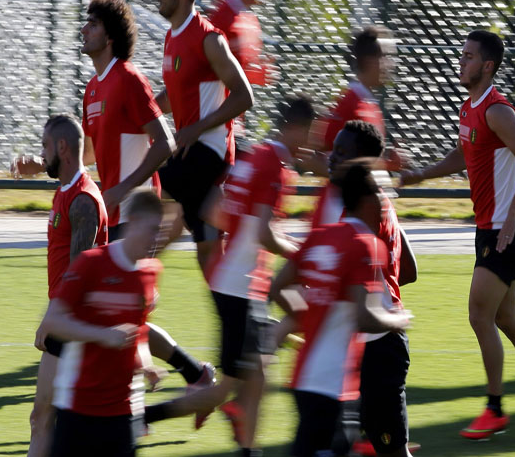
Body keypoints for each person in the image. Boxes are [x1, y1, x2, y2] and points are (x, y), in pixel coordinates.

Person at [14, 0, 214, 407]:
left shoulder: (128, 79)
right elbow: (90, 152)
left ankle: (117, 398)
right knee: (115, 311)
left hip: (136, 213)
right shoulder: (93, 89)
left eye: (92, 24)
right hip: (112, 212)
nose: (84, 30)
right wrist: (43, 163)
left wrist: (124, 187)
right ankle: (191, 374)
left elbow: (165, 141)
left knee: (117, 310)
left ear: (109, 33)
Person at [400, 30, 515, 440]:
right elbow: (464, 153)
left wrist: (512, 216)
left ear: (487, 66)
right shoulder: (469, 109)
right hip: (488, 227)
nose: (461, 62)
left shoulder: (497, 110)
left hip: (505, 230)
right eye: (462, 55)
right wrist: (421, 174)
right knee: (504, 316)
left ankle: (494, 409)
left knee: (480, 314)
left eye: (469, 56)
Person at [141, 96, 315, 457]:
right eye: (313, 133)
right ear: (299, 129)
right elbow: (265, 233)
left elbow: (212, 211)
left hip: (235, 281)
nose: (313, 142)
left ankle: (247, 449)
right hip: (241, 288)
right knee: (229, 387)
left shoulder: (254, 158)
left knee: (260, 373)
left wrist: (244, 236)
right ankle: (138, 418)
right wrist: (304, 254)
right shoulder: (275, 167)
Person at [270, 161, 411, 457]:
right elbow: (364, 317)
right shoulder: (365, 244)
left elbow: (277, 288)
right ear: (366, 199)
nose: (383, 199)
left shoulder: (321, 235)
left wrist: (306, 317)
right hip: (334, 384)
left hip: (304, 377)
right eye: (378, 191)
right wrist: (397, 321)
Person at [310, 120, 418, 457]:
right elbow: (409, 270)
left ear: (362, 163)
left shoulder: (368, 210)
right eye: (333, 149)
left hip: (377, 348)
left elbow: (363, 280)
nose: (331, 157)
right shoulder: (369, 202)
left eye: (342, 152)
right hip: (357, 345)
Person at [35, 189, 165, 457]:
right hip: (79, 410)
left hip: (123, 413)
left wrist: (147, 363)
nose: (155, 239)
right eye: (151, 230)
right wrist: (102, 335)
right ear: (133, 223)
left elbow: (137, 331)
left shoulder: (150, 272)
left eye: (158, 231)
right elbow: (53, 322)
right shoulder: (91, 264)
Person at [11, 115, 108, 457]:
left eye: (45, 147)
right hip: (67, 319)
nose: (42, 153)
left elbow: (78, 276)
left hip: (77, 324)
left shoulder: (83, 201)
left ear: (62, 148)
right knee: (44, 418)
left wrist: (50, 319)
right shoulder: (66, 190)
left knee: (58, 422)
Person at [153, 0, 254, 272]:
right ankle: (247, 310)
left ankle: (119, 272)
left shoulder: (209, 38)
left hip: (209, 151)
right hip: (188, 150)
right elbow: (173, 95)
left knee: (146, 189)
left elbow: (244, 96)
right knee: (209, 253)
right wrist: (140, 112)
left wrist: (198, 127)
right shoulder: (172, 37)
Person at [302, 26, 406, 175]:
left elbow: (358, 163)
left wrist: (388, 164)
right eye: (386, 57)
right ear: (369, 60)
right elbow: (310, 157)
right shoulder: (348, 103)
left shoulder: (369, 103)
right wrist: (345, 184)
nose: (391, 64)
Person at [208, 0, 273, 149]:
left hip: (235, 125)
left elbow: (238, 71)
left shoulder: (251, 21)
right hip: (214, 124)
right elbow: (208, 68)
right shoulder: (221, 17)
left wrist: (256, 74)